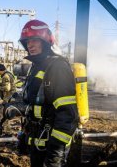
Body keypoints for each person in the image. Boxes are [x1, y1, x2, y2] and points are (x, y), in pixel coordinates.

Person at [18, 19, 79, 167]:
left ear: (45, 41)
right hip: (37, 140)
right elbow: (34, 102)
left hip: (51, 145)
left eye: (34, 40)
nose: (29, 45)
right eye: (27, 41)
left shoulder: (57, 67)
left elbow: (67, 114)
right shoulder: (37, 67)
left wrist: (56, 153)